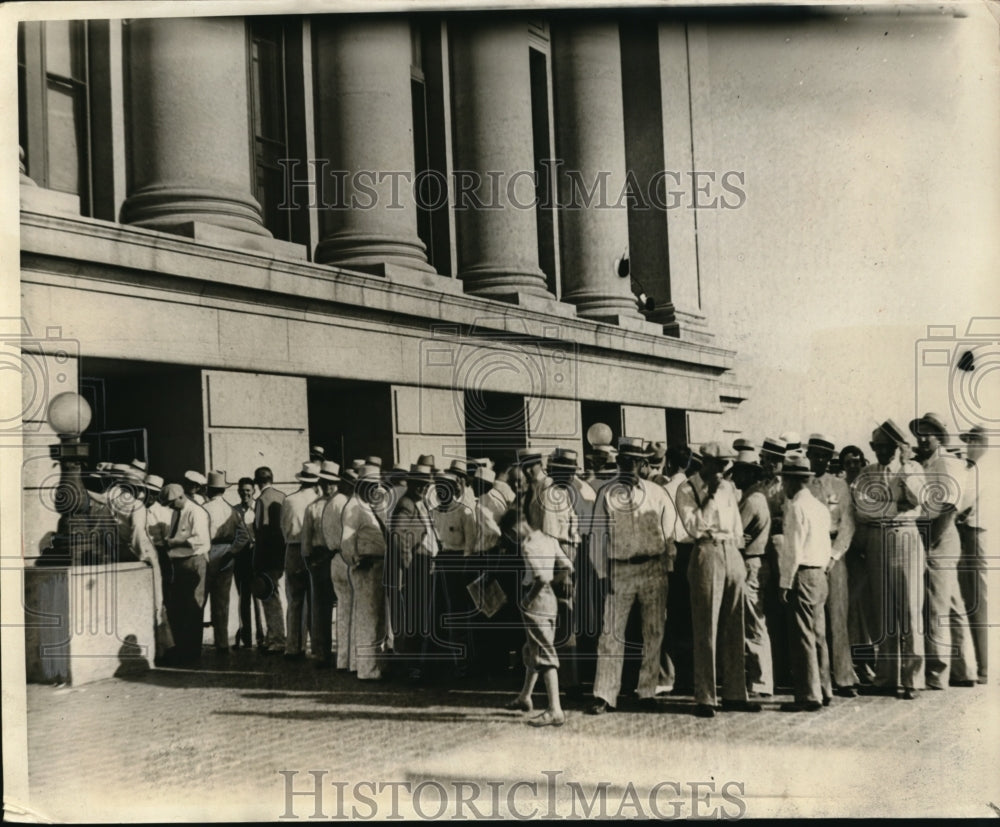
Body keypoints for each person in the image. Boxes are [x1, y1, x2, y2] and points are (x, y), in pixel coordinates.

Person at [587, 437, 676, 715]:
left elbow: (671, 533)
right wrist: (602, 575)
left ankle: (647, 692)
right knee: (611, 633)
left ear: (643, 463)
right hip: (620, 568)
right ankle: (605, 694)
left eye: (634, 461)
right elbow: (597, 538)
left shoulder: (657, 493)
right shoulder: (606, 494)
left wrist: (666, 568)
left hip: (653, 568)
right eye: (624, 461)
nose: (628, 466)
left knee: (653, 631)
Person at [675, 442, 759, 718]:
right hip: (706, 550)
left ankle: (735, 693)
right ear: (705, 463)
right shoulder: (687, 489)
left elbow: (735, 524)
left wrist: (739, 557)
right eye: (719, 464)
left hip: (730, 551)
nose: (724, 471)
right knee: (706, 627)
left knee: (735, 624)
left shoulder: (729, 489)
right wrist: (709, 495)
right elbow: (694, 526)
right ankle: (706, 696)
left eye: (726, 465)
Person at [853, 420, 926, 699]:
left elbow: (918, 498)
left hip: (905, 535)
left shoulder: (913, 469)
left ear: (897, 447)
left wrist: (906, 468)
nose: (880, 452)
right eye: (875, 447)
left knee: (909, 608)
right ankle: (886, 677)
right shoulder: (867, 473)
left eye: (885, 447)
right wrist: (896, 505)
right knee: (883, 610)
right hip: (876, 539)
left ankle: (913, 680)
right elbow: (862, 509)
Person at [909, 412, 978, 689]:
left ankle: (938, 672)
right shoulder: (922, 463)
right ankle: (965, 669)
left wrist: (930, 542)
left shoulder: (947, 463)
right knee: (951, 602)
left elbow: (949, 508)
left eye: (930, 433)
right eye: (921, 433)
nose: (924, 438)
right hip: (928, 529)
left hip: (941, 532)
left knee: (936, 605)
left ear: (940, 437)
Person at [502, 510, 573, 727]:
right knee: (532, 649)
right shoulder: (549, 539)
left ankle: (555, 709)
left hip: (536, 601)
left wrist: (527, 600)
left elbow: (540, 578)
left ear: (514, 529)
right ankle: (525, 697)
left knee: (543, 652)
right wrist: (554, 582)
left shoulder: (528, 545)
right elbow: (568, 566)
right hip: (549, 601)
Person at [776, 454, 833, 711]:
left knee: (802, 636)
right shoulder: (820, 507)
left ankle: (809, 695)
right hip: (820, 573)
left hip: (803, 573)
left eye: (785, 480)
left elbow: (793, 549)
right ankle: (823, 688)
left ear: (791, 481)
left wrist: (785, 582)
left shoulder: (796, 507)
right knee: (818, 634)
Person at [805, 434, 858, 696]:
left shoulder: (839, 486)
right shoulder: (803, 483)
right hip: (810, 553)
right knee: (814, 619)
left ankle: (844, 677)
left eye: (824, 456)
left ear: (830, 458)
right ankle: (818, 678)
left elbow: (847, 524)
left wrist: (834, 556)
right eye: (814, 455)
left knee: (838, 616)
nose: (818, 460)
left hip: (834, 552)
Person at [388, 462, 440, 682]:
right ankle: (412, 666)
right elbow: (398, 536)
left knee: (423, 617)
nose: (421, 488)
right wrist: (409, 562)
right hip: (418, 566)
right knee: (416, 618)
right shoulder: (407, 504)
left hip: (426, 563)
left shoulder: (420, 503)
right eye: (418, 484)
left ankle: (421, 664)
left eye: (425, 484)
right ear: (410, 483)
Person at [730, 447, 773, 697]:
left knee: (753, 622)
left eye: (738, 473)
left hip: (751, 562)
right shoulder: (752, 496)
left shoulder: (752, 500)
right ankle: (758, 678)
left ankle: (760, 680)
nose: (734, 478)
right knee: (753, 621)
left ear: (748, 474)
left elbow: (737, 533)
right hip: (754, 561)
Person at [341, 465, 389, 680]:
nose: (374, 489)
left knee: (371, 617)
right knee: (369, 618)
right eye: (370, 485)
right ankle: (368, 669)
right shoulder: (355, 508)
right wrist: (357, 561)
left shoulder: (367, 506)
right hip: (367, 567)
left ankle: (363, 664)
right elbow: (347, 541)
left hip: (376, 566)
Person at [161, 482, 211, 665]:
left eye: (173, 502)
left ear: (181, 497)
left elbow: (199, 540)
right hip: (179, 563)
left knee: (193, 608)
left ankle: (191, 652)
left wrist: (174, 542)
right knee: (180, 608)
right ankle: (183, 649)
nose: (171, 506)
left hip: (193, 562)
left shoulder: (196, 512)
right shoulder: (177, 512)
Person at [658, 444, 694, 696]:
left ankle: (670, 675)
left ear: (668, 463)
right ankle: (689, 676)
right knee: (690, 617)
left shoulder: (664, 490)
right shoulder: (695, 487)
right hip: (694, 553)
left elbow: (664, 527)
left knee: (671, 617)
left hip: (672, 554)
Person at [203, 470, 249, 654]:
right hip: (227, 554)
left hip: (208, 552)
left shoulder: (204, 509)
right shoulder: (232, 510)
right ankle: (222, 642)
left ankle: (193, 641)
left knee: (201, 598)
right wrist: (232, 551)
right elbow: (244, 535)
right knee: (222, 600)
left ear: (209, 489)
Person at [301, 461, 341, 667]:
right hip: (319, 558)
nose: (328, 487)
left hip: (338, 556)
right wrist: (309, 560)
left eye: (332, 483)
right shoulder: (312, 507)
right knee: (320, 607)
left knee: (343, 605)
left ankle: (343, 652)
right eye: (325, 483)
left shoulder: (342, 505)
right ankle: (321, 651)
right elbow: (306, 537)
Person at [956, 426, 988, 684]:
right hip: (968, 532)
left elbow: (963, 502)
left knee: (978, 600)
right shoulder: (971, 467)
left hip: (976, 534)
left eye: (972, 441)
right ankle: (976, 663)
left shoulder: (981, 469)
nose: (968, 446)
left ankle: (983, 665)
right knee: (970, 599)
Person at [281, 462, 321, 660]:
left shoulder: (289, 500)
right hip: (313, 550)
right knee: (314, 599)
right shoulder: (318, 500)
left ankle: (293, 646)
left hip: (293, 549)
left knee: (294, 600)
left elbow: (283, 527)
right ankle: (316, 646)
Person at [323, 468, 356, 671]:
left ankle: (342, 658)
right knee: (353, 610)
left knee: (343, 610)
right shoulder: (346, 504)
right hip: (345, 558)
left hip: (334, 558)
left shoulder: (330, 503)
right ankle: (351, 659)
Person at [253, 466, 286, 654]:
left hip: (266, 556)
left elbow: (260, 531)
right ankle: (274, 635)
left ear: (257, 482)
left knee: (269, 596)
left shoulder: (261, 501)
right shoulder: (282, 496)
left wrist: (257, 561)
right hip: (281, 553)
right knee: (275, 595)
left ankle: (277, 638)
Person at [232, 477, 261, 650]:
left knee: (259, 597)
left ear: (254, 491)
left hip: (257, 557)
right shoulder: (234, 511)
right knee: (243, 598)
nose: (245, 494)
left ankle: (261, 637)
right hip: (241, 559)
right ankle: (246, 638)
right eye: (242, 491)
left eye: (248, 490)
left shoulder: (259, 509)